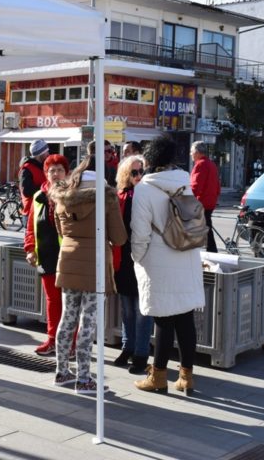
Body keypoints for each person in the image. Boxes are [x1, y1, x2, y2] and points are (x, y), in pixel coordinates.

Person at [131, 135, 205, 395]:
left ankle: (159, 376)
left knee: (163, 319)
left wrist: (137, 258)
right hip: (187, 255)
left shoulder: (144, 188)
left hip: (159, 259)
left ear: (149, 160)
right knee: (185, 318)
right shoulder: (185, 183)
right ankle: (186, 377)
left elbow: (139, 233)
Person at [49, 156, 127, 394]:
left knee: (67, 318)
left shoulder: (63, 197)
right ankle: (84, 379)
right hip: (95, 266)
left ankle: (62, 372)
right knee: (88, 322)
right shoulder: (106, 199)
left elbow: (60, 229)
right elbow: (119, 238)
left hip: (69, 262)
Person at [24, 154, 70, 356]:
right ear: (46, 174)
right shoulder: (38, 197)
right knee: (53, 301)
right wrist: (30, 249)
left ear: (67, 173)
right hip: (46, 255)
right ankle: (52, 340)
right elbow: (30, 228)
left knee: (70, 303)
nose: (56, 173)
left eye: (60, 169)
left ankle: (71, 343)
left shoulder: (73, 194)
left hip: (69, 257)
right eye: (52, 170)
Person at [112, 154, 153, 375]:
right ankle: (128, 347)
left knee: (142, 309)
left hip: (144, 258)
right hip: (123, 258)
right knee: (127, 308)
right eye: (134, 172)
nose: (139, 176)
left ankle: (141, 353)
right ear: (126, 174)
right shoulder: (120, 196)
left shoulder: (148, 195)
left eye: (141, 171)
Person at [190, 141, 220, 253]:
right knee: (206, 227)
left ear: (197, 152)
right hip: (210, 201)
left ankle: (209, 251)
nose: (191, 154)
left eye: (191, 151)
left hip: (201, 202)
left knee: (197, 227)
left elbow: (195, 186)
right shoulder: (211, 164)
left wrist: (185, 198)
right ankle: (210, 250)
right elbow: (217, 184)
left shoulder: (200, 164)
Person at [18, 139, 49, 216]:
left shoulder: (42, 167)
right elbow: (27, 191)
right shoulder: (26, 169)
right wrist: (46, 187)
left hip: (40, 209)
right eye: (46, 152)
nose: (48, 154)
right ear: (40, 153)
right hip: (31, 212)